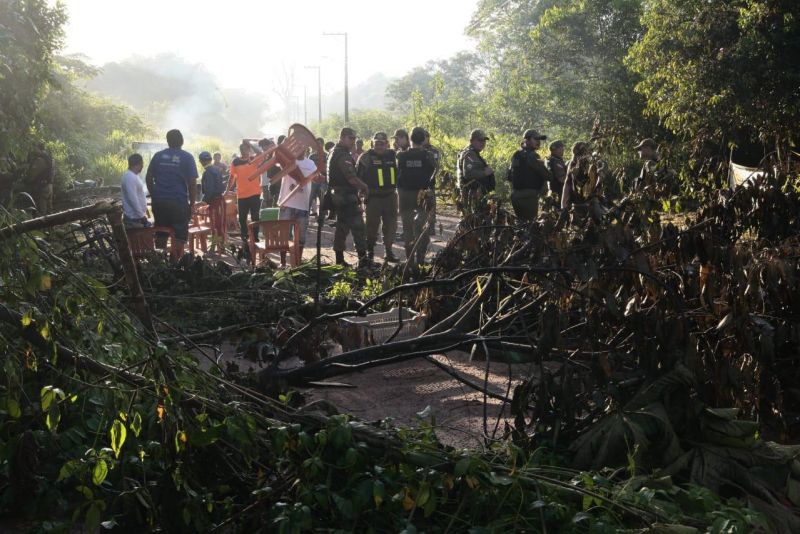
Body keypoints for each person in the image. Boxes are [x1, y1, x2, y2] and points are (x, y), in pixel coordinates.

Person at [145, 129, 199, 250]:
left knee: (161, 232)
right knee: (179, 235)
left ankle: (161, 262)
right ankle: (176, 263)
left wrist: (154, 194)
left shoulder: (158, 156)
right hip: (178, 202)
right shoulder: (187, 157)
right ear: (182, 141)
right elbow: (192, 183)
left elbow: (148, 177)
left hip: (159, 202)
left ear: (168, 141)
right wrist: (192, 203)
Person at [327, 127, 369, 267]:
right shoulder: (343, 155)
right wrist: (364, 186)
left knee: (342, 227)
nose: (353, 141)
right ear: (342, 137)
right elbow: (351, 178)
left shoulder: (333, 152)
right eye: (351, 138)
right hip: (345, 196)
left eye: (354, 139)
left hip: (337, 195)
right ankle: (363, 261)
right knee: (358, 227)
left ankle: (339, 260)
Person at [397, 127, 436, 264]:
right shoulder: (428, 155)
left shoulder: (401, 155)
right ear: (424, 139)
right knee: (422, 227)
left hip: (405, 195)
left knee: (407, 229)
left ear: (410, 138)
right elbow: (432, 175)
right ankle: (420, 260)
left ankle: (410, 261)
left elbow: (398, 175)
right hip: (422, 195)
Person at [358, 132, 398, 263]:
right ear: (372, 143)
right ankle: (370, 251)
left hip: (390, 197)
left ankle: (389, 251)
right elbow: (358, 177)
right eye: (377, 143)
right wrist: (360, 196)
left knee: (391, 226)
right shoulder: (365, 157)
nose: (379, 146)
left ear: (387, 144)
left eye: (382, 143)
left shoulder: (393, 155)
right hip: (373, 197)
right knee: (371, 227)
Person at [276, 152, 317, 267]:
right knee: (284, 236)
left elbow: (316, 178)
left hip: (303, 206)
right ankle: (283, 263)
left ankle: (298, 264)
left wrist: (320, 176)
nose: (301, 149)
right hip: (287, 204)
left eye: (303, 146)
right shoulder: (287, 160)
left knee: (300, 238)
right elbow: (277, 157)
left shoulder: (311, 163)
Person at [508, 129, 551, 222]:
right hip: (529, 196)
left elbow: (509, 176)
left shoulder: (516, 154)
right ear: (526, 140)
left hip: (516, 196)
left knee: (521, 225)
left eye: (539, 139)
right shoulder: (533, 156)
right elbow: (548, 176)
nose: (538, 142)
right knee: (530, 227)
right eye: (535, 139)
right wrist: (545, 164)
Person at [228, 141, 262, 251]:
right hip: (241, 194)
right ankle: (244, 237)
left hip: (255, 193)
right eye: (242, 149)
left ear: (249, 150)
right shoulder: (235, 161)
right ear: (240, 150)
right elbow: (232, 177)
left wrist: (251, 144)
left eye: (246, 149)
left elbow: (260, 152)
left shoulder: (253, 159)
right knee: (242, 218)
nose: (244, 151)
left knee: (255, 217)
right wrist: (227, 190)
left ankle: (255, 237)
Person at [457, 129, 495, 213]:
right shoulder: (469, 154)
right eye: (480, 140)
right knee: (474, 220)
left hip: (476, 194)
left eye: (484, 140)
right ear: (471, 141)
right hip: (471, 195)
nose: (483, 143)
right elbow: (468, 174)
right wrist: (485, 173)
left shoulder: (474, 154)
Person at [561, 142, 596, 209]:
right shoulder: (573, 164)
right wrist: (564, 204)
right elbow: (568, 183)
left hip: (587, 196)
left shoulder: (589, 162)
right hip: (578, 197)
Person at [120, 153, 150, 228]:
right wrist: (142, 216)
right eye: (142, 164)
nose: (142, 166)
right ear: (139, 163)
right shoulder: (129, 177)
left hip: (137, 217)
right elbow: (133, 199)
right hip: (133, 219)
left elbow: (140, 194)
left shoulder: (134, 176)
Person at [27, 142, 54, 215]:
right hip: (49, 186)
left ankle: (42, 225)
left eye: (35, 148)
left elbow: (33, 174)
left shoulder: (40, 159)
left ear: (39, 148)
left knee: (42, 211)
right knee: (49, 210)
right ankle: (51, 225)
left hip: (42, 187)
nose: (34, 150)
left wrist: (27, 180)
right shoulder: (49, 157)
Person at [422, 129, 440, 236]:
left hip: (429, 182)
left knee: (431, 205)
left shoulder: (433, 151)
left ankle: (431, 227)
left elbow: (436, 166)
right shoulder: (416, 149)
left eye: (424, 137)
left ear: (428, 138)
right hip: (418, 182)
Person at [258, 138, 279, 208]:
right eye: (262, 146)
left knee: (271, 198)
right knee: (266, 199)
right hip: (264, 181)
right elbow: (259, 167)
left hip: (272, 180)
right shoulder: (262, 155)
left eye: (264, 146)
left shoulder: (274, 153)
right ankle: (265, 214)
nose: (263, 148)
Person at [308, 137, 327, 216]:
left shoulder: (327, 155)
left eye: (319, 143)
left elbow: (327, 169)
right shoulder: (311, 156)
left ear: (323, 144)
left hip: (323, 180)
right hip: (313, 180)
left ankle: (322, 217)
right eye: (317, 144)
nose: (318, 145)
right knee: (310, 198)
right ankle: (306, 215)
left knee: (322, 199)